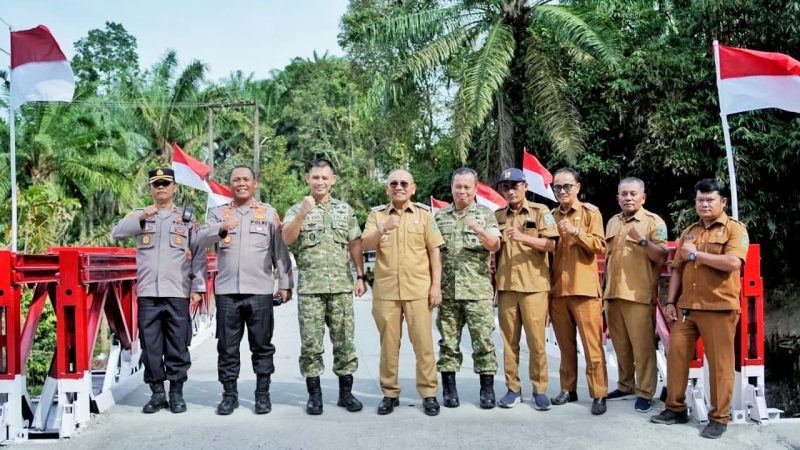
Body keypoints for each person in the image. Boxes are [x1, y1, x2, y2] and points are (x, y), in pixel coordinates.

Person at [651, 179, 749, 439]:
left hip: (719, 307)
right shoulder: (690, 231)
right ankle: (675, 407)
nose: (704, 204)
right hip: (686, 308)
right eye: (700, 200)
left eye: (710, 200)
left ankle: (719, 417)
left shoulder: (735, 230)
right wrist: (671, 301)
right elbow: (677, 270)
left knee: (719, 365)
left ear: (723, 202)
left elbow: (733, 262)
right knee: (677, 357)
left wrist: (697, 255)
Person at [197, 165, 293, 415]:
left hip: (260, 291)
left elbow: (279, 250)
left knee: (262, 346)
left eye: (246, 179)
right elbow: (199, 240)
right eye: (236, 179)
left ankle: (262, 395)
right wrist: (221, 228)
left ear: (255, 183)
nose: (241, 183)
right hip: (228, 292)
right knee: (227, 348)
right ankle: (229, 396)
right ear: (230, 184)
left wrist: (285, 283)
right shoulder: (218, 213)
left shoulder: (268, 213)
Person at [111, 167, 206, 414]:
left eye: (166, 183)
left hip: (177, 292)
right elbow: (117, 233)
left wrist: (198, 287)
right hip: (148, 294)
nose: (161, 187)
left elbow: (198, 253)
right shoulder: (140, 216)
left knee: (177, 345)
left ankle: (176, 393)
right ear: (150, 189)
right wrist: (142, 218)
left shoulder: (186, 219)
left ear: (174, 188)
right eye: (157, 184)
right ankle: (156, 394)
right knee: (150, 346)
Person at [282, 158, 366, 415]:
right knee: (311, 345)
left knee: (344, 343)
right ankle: (314, 396)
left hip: (341, 287)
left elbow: (355, 244)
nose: (320, 182)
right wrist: (302, 214)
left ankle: (345, 394)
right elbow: (286, 238)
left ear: (333, 180)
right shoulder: (297, 208)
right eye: (315, 177)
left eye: (324, 177)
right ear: (307, 178)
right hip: (310, 290)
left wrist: (360, 276)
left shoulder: (345, 210)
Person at [361, 169, 444, 416]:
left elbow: (434, 253)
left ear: (413, 188)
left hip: (418, 290)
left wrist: (435, 286)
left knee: (424, 345)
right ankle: (389, 393)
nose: (399, 187)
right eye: (393, 183)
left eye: (404, 183)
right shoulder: (376, 216)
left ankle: (428, 393)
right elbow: (363, 244)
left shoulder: (424, 215)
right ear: (387, 189)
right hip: (386, 292)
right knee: (388, 346)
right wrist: (383, 229)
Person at [434, 168, 501, 409]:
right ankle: (449, 390)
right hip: (448, 293)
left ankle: (487, 389)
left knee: (483, 342)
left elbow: (495, 245)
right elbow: (434, 255)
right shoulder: (440, 217)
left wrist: (479, 230)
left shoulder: (486, 215)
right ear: (452, 188)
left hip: (477, 292)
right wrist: (435, 287)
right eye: (458, 186)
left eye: (467, 187)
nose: (462, 191)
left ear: (474, 189)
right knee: (448, 343)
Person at [494, 167, 558, 411]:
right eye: (506, 187)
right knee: (509, 342)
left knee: (536, 342)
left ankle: (540, 389)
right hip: (507, 286)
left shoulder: (540, 212)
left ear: (525, 187)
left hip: (534, 286)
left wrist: (524, 238)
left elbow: (551, 245)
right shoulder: (498, 215)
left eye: (515, 186)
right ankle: (513, 389)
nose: (510, 191)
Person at [603, 177, 668, 413]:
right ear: (618, 197)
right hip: (613, 294)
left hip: (638, 295)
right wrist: (604, 293)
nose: (628, 198)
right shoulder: (612, 222)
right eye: (624, 194)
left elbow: (662, 256)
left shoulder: (652, 222)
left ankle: (645, 391)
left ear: (643, 197)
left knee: (643, 348)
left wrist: (641, 240)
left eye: (633, 194)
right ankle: (625, 384)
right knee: (620, 346)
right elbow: (607, 258)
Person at [549, 167, 609, 415]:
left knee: (592, 346)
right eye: (557, 187)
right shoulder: (549, 215)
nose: (562, 191)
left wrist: (576, 232)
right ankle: (568, 388)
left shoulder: (590, 213)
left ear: (578, 187)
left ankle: (599, 393)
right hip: (558, 290)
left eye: (567, 186)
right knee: (565, 346)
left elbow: (600, 245)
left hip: (584, 290)